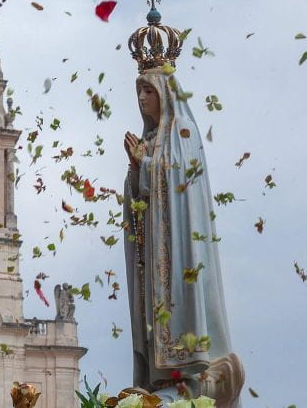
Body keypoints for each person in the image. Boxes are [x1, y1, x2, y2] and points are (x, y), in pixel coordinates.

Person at [122, 62, 245, 407]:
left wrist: (143, 165)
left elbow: (177, 178)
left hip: (178, 248)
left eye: (149, 91)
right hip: (154, 251)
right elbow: (140, 193)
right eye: (139, 92)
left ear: (166, 95)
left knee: (178, 300)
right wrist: (137, 169)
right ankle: (161, 376)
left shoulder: (183, 132)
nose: (142, 99)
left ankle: (188, 374)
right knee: (153, 312)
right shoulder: (150, 139)